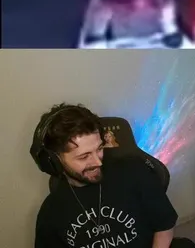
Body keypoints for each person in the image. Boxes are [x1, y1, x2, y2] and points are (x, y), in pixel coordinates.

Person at [32, 103, 182, 248]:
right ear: (55, 161)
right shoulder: (51, 212)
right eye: (84, 157)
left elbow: (164, 225)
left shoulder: (135, 172)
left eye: (99, 149)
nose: (98, 162)